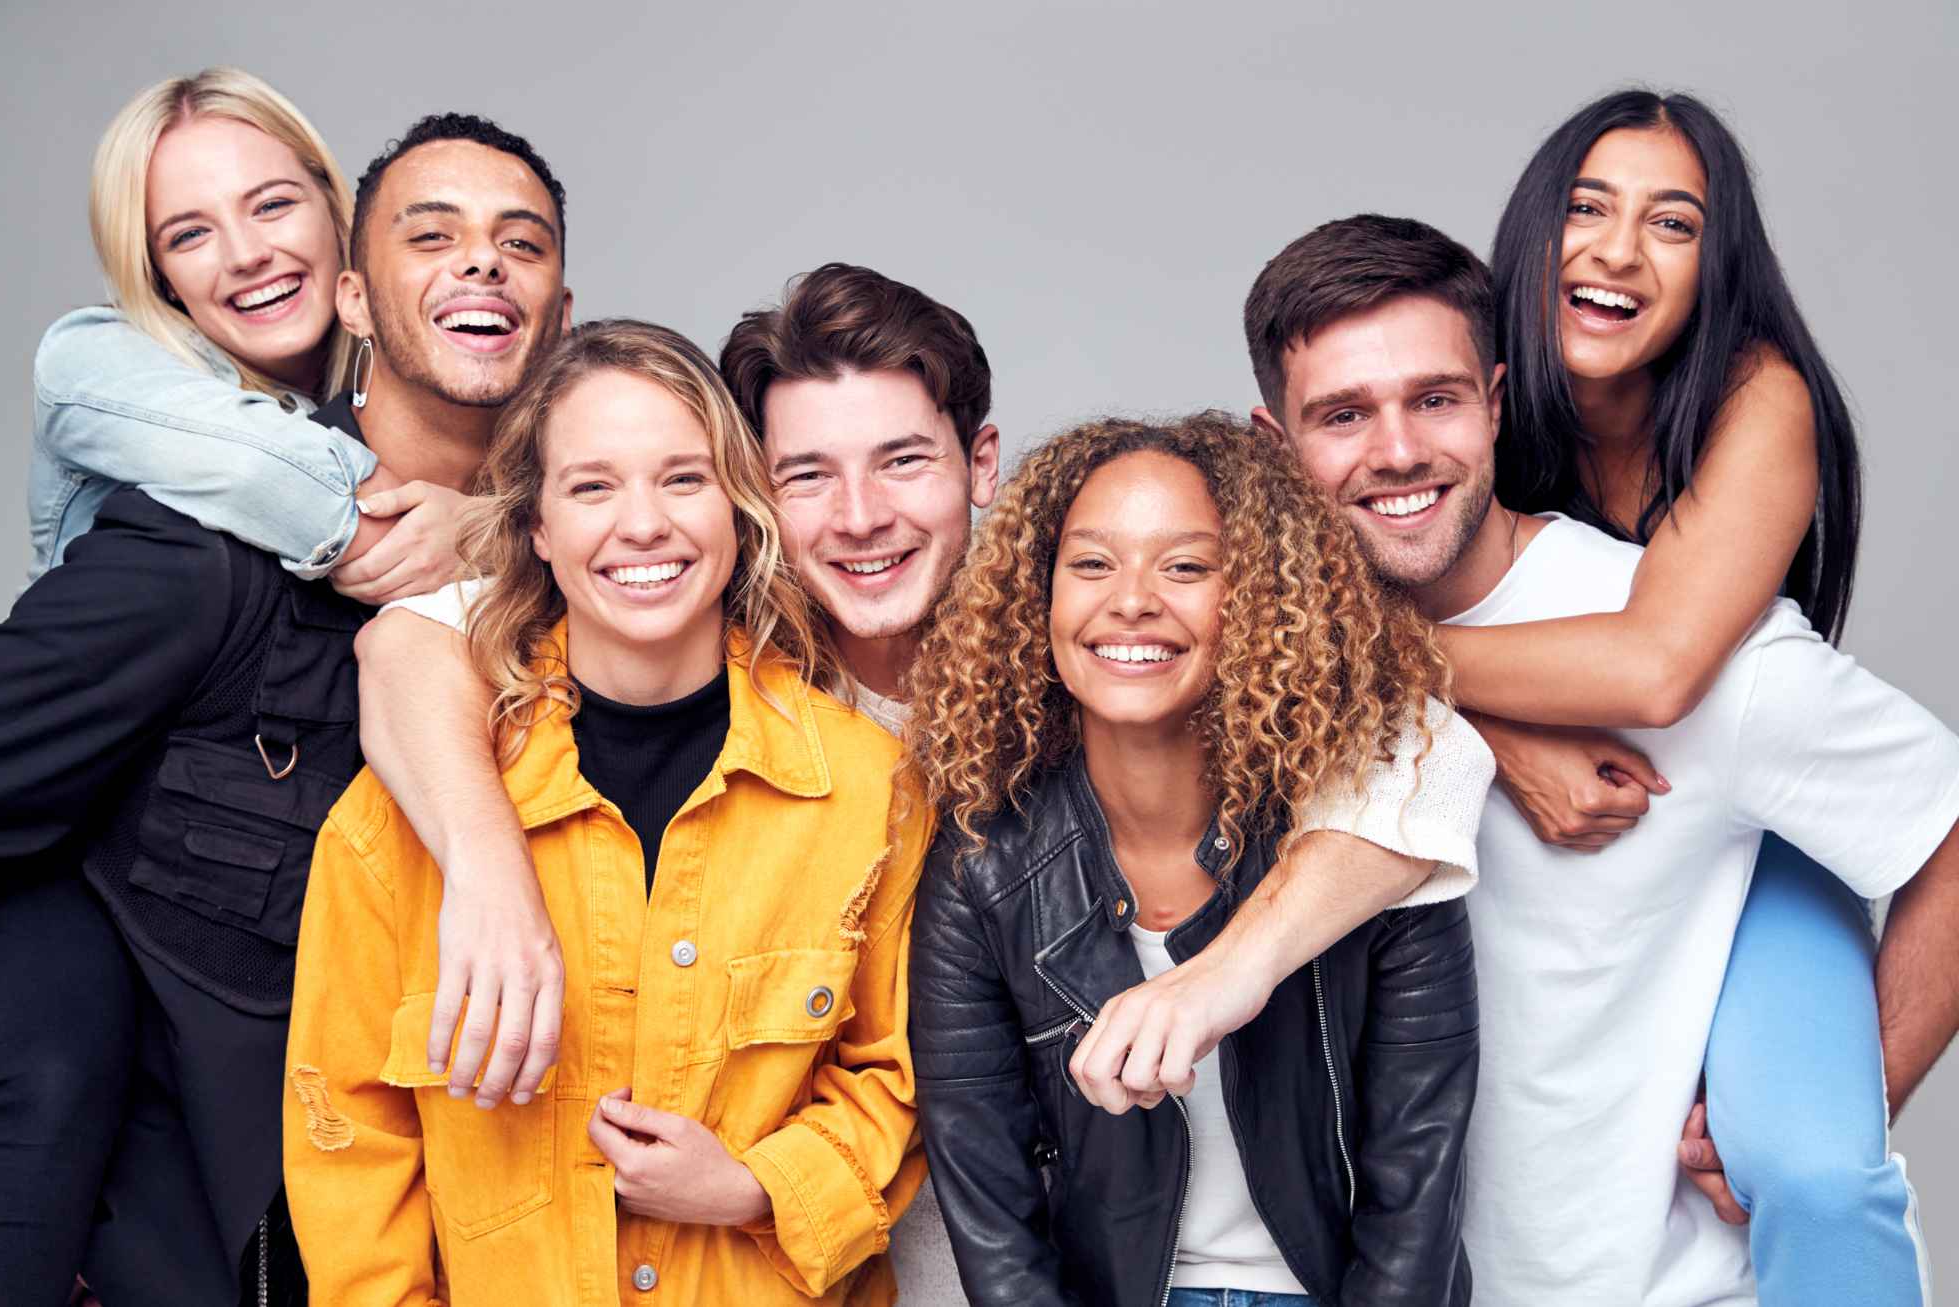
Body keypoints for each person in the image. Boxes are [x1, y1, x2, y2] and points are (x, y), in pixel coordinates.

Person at [354, 262, 1461, 1299]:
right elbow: (407, 643)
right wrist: (487, 867)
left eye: (900, 460)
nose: (858, 516)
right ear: (754, 491)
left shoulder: (1091, 647)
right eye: (806, 475)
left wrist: (1224, 971)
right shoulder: (702, 657)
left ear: (979, 463)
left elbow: (1421, 749)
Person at [1240, 213, 1959, 1304]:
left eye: (1433, 398)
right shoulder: (1252, 660)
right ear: (1269, 444)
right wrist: (1481, 728)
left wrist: (1850, 1107)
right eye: (1341, 414)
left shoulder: (1682, 636)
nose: (1393, 450)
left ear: (1492, 400)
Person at [0, 110, 571, 1306]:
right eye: (432, 234)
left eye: (518, 241)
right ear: (354, 294)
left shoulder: (597, 569)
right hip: (179, 1205)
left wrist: (501, 536)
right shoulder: (202, 565)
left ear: (563, 307)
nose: (481, 262)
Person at [284, 318, 934, 1306]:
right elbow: (350, 1144)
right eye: (592, 486)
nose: (643, 525)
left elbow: (902, 1078)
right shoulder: (409, 812)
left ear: (737, 504)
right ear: (537, 525)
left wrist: (756, 1184)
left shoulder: (868, 788)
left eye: (682, 478)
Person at [1417, 89, 1918, 1303]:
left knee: (1806, 1170)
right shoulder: (1477, 393)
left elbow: (1655, 667)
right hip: (1594, 839)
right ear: (1535, 233)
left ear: (1714, 265)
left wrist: (1866, 1082)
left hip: (1759, 817)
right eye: (1586, 207)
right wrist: (1493, 731)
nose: (1616, 250)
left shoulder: (1759, 396)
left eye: (1671, 223)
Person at [905, 412, 1489, 1306]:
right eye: (1092, 563)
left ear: (1255, 599)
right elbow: (993, 1221)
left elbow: (1419, 1179)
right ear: (1039, 597)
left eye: (1185, 566)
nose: (1132, 599)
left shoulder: (1375, 832)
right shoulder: (983, 865)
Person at [29, 66, 475, 604]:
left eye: (272, 206)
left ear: (335, 209)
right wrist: (489, 537)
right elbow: (257, 471)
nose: (246, 255)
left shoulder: (405, 356)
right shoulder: (88, 358)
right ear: (159, 276)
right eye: (190, 235)